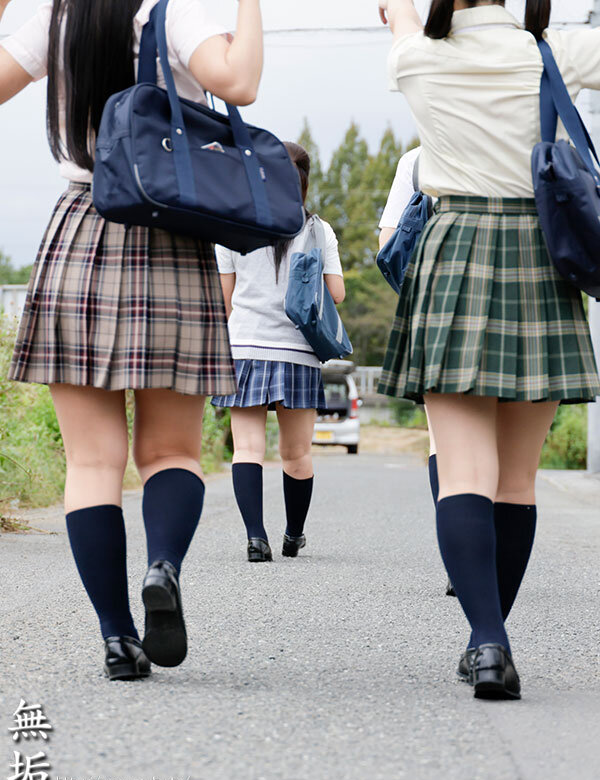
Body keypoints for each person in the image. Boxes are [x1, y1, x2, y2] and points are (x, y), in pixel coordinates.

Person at [0, 0, 263, 680]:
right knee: (170, 451)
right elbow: (239, 83)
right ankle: (162, 567)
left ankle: (117, 639)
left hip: (79, 233)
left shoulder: (57, 17)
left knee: (92, 463)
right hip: (169, 232)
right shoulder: (171, 15)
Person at [377, 0, 600, 699]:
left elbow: (398, 17)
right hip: (540, 255)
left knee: (463, 471)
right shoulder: (553, 53)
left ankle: (488, 641)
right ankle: (490, 637)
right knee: (517, 480)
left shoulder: (417, 58)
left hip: (456, 254)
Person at [212, 142, 345, 563]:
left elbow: (224, 300)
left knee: (247, 449)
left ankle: (256, 538)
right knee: (297, 453)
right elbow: (336, 294)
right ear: (304, 180)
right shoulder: (318, 230)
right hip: (298, 351)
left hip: (245, 347)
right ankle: (293, 535)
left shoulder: (233, 225)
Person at [379, 146, 457, 595]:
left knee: (443, 439)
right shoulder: (530, 140)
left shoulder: (419, 159)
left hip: (438, 310)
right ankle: (500, 558)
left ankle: (459, 559)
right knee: (510, 453)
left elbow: (389, 243)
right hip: (521, 301)